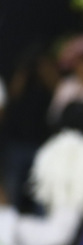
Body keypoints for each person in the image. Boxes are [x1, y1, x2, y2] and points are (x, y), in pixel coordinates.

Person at [1, 49, 57, 210]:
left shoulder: (46, 81)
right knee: (13, 188)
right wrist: (23, 71)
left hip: (40, 143)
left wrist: (45, 69)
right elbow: (13, 94)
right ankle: (8, 220)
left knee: (41, 191)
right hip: (17, 143)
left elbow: (56, 89)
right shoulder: (21, 79)